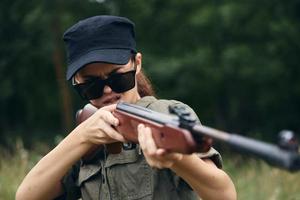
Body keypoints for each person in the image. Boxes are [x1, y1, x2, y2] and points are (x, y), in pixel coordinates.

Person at [16, 15, 236, 200]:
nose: (107, 91)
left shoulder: (167, 114)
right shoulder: (87, 136)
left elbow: (225, 195)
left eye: (117, 78)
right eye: (92, 86)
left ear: (137, 63)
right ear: (77, 84)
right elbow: (26, 196)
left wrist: (177, 159)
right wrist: (82, 137)